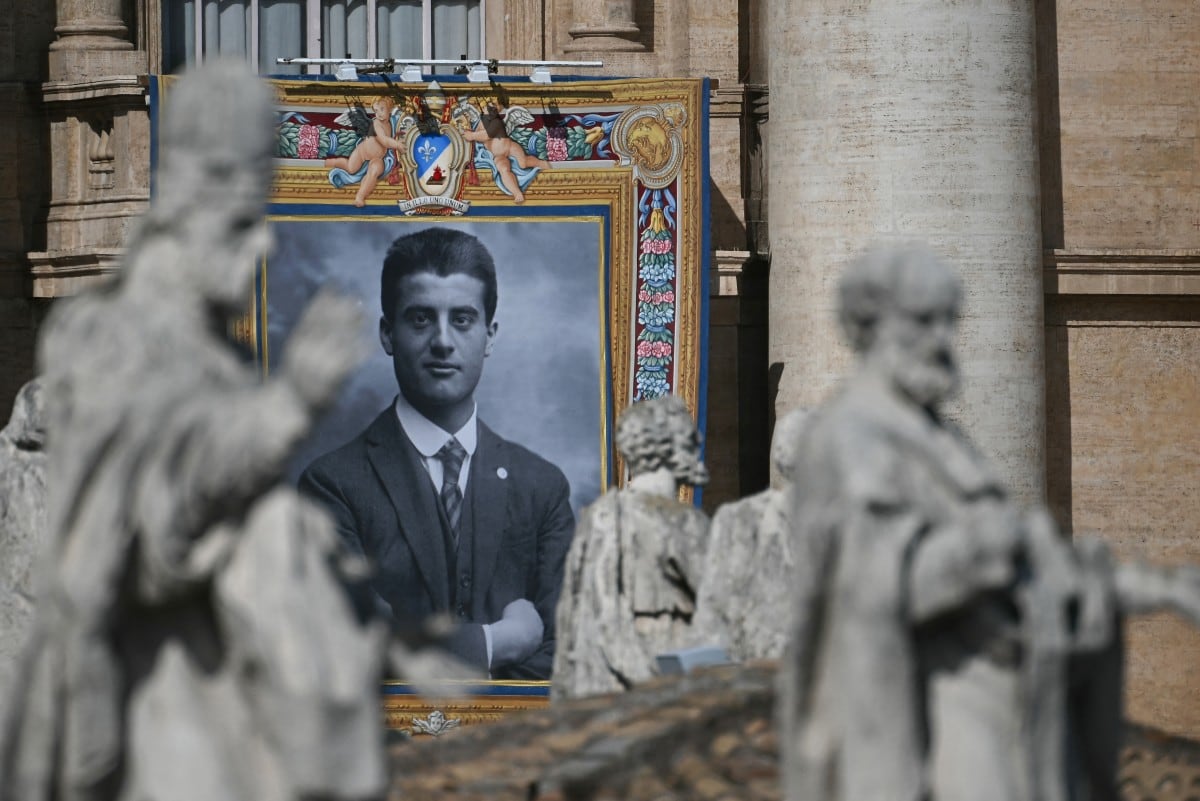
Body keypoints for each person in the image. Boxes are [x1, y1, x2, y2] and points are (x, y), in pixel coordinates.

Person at [299, 227, 575, 680]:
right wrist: (495, 645)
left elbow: (566, 653)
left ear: (490, 335)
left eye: (463, 319)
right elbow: (345, 640)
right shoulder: (332, 486)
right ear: (389, 334)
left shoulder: (541, 487)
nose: (443, 341)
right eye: (421, 319)